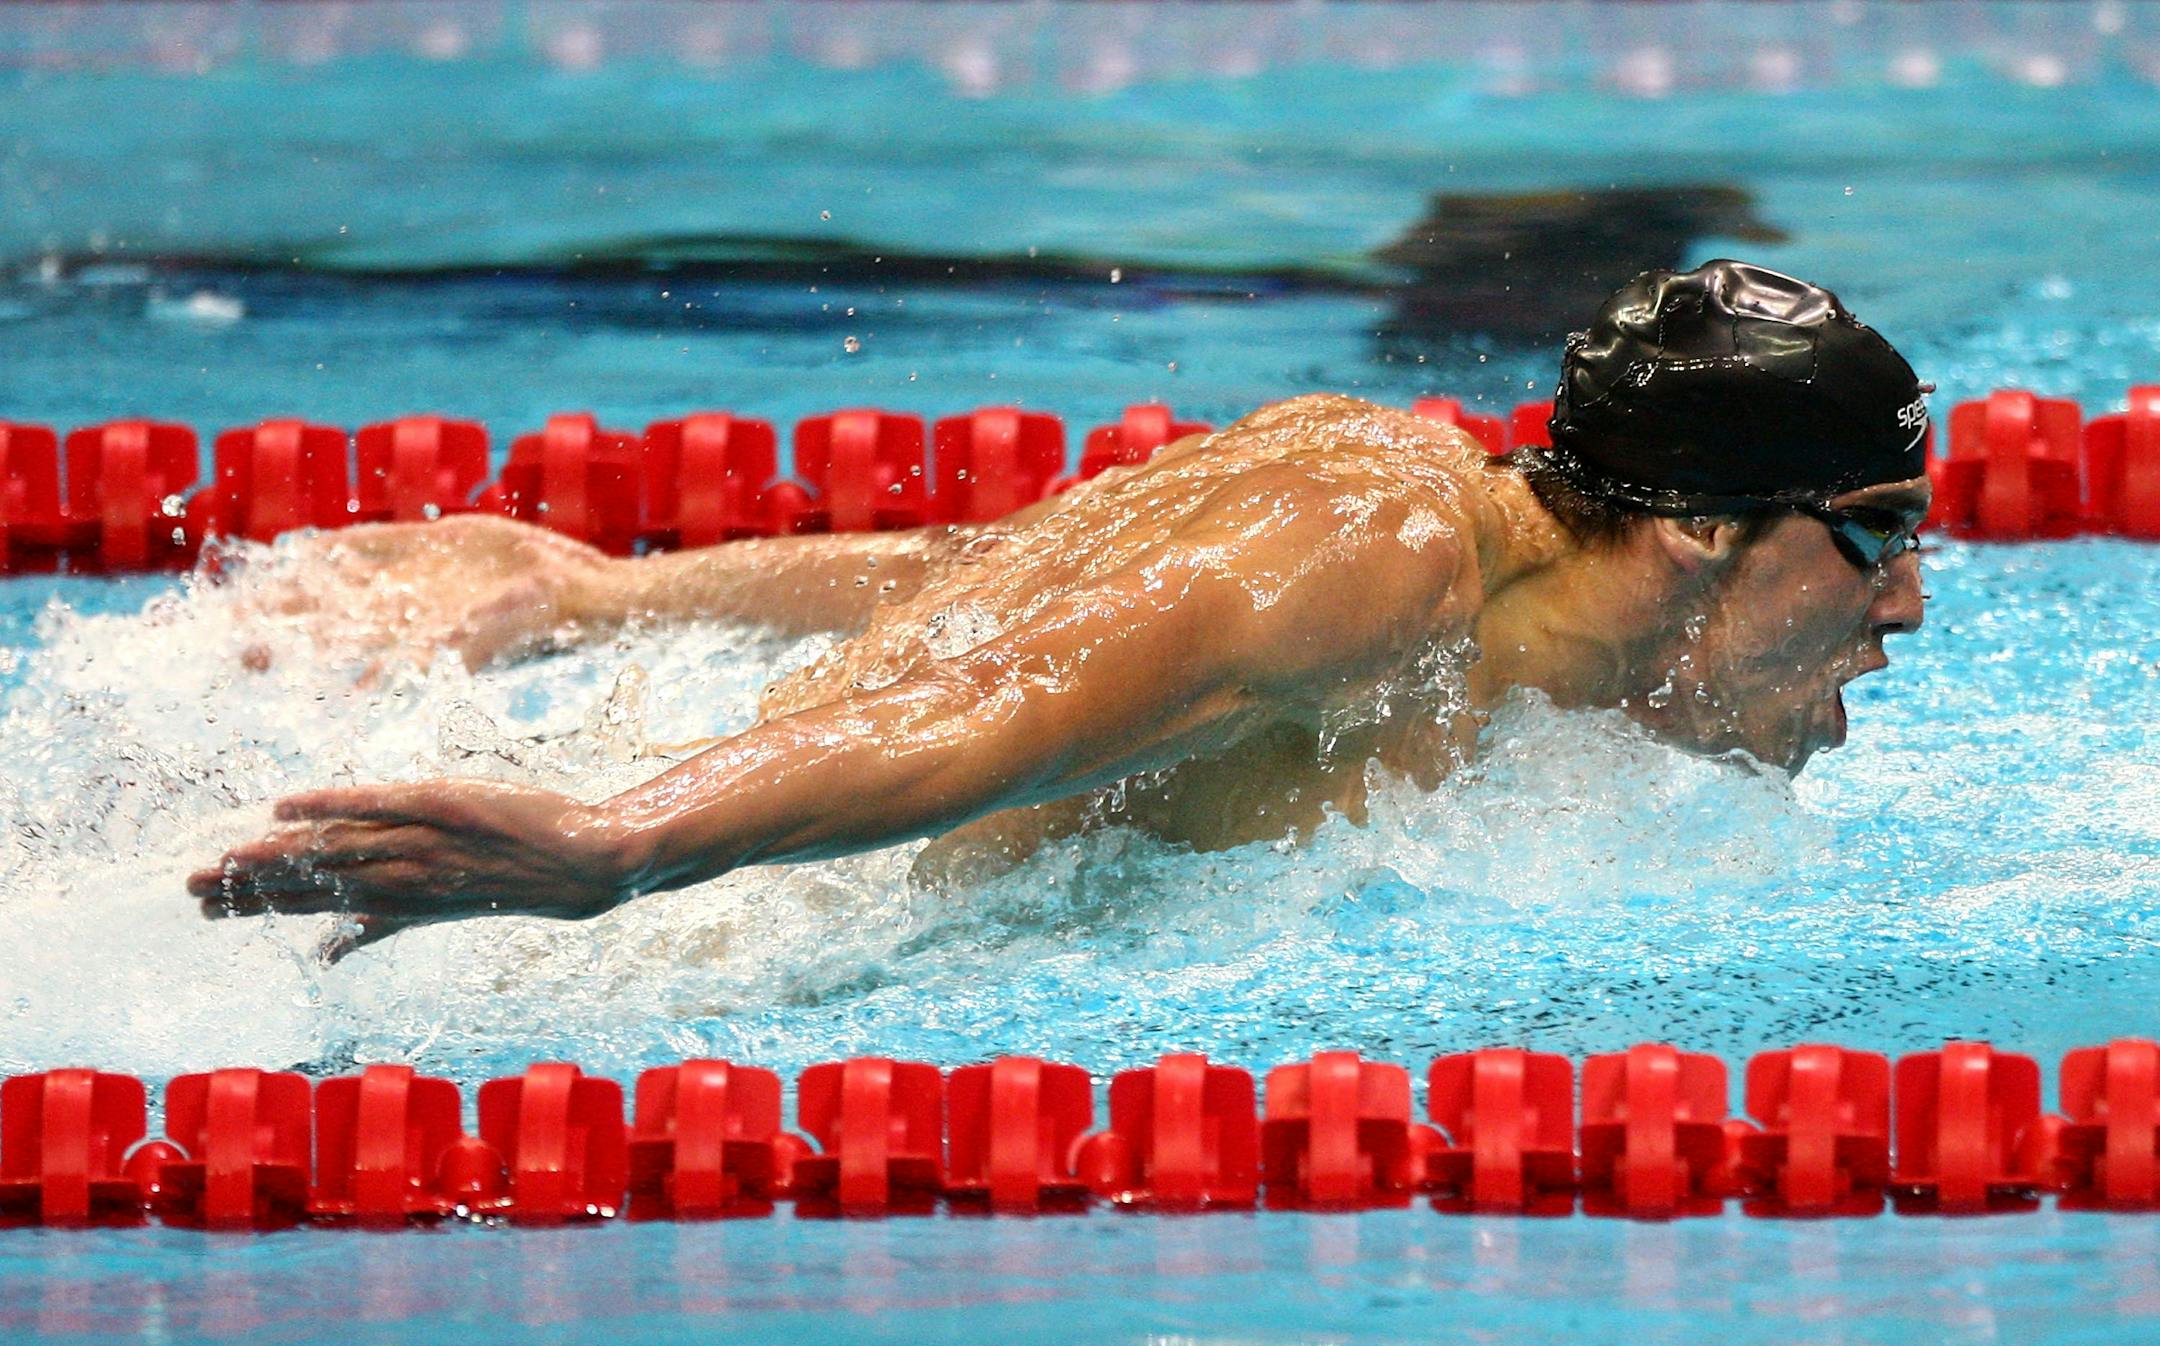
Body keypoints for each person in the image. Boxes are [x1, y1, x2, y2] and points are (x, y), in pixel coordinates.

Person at [188, 259, 1931, 954]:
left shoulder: (1409, 522)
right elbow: (986, 710)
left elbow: (995, 596)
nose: (1908, 608)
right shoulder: (1378, 560)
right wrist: (611, 843)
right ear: (1703, 524)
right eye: (1874, 540)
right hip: (681, 946)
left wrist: (599, 594)